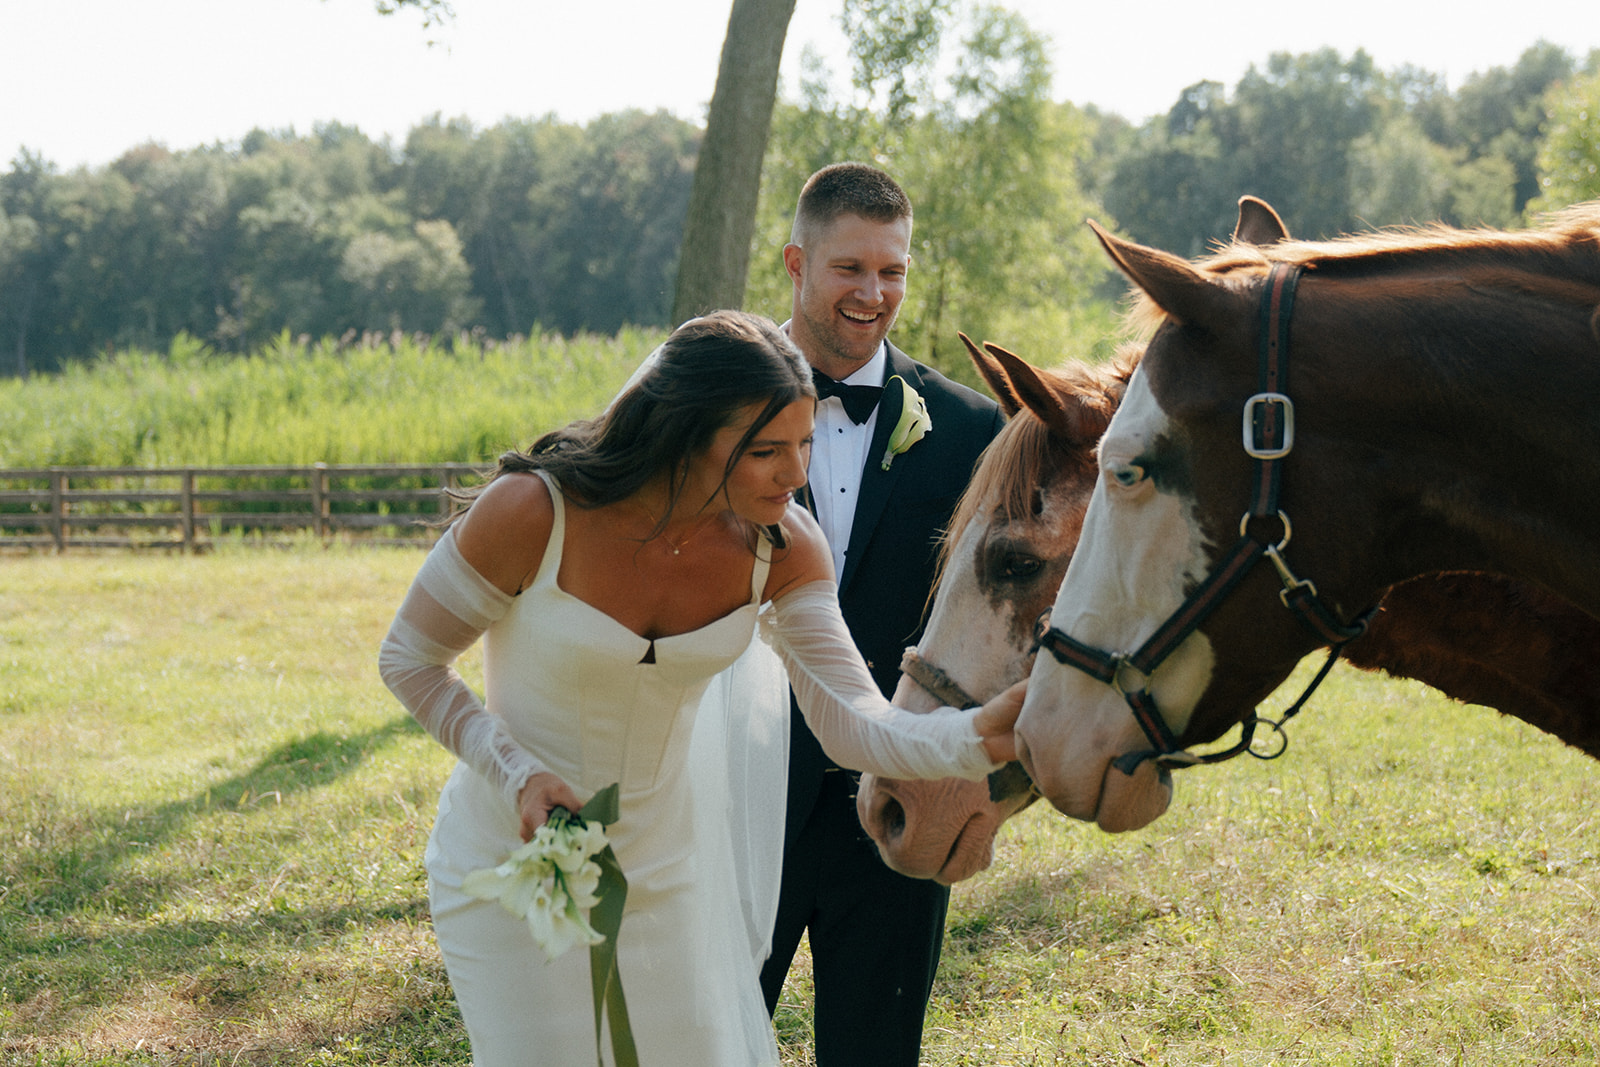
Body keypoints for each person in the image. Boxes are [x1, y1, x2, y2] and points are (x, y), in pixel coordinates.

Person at [377, 309, 1024, 1067]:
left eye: (805, 444)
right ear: (686, 435)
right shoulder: (534, 512)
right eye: (765, 450)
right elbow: (409, 660)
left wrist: (972, 736)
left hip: (668, 870)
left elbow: (853, 719)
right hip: (512, 865)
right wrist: (512, 768)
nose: (797, 474)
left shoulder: (782, 546)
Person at [758, 164, 1008, 1064]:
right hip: (744, 800)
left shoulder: (973, 428)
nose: (875, 293)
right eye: (849, 269)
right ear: (796, 262)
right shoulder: (716, 407)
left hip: (903, 808)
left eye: (893, 271)